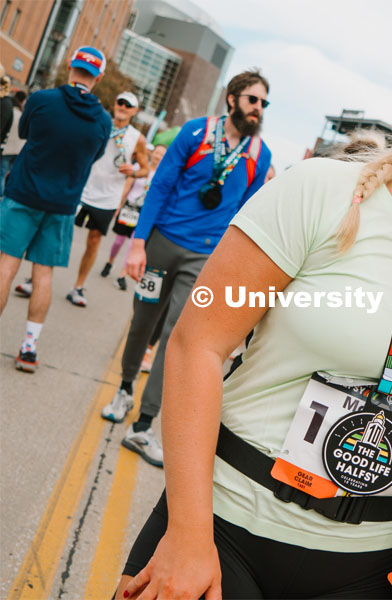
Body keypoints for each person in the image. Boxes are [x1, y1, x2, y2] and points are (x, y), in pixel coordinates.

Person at [116, 37, 392, 600]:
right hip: (225, 530)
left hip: (368, 564)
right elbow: (194, 348)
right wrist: (186, 531)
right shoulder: (319, 191)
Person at [100, 69, 273, 469]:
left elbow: (244, 213)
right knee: (143, 321)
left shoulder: (258, 154)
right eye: (252, 100)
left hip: (204, 259)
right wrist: (138, 243)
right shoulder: (196, 133)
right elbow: (160, 185)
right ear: (232, 99)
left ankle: (143, 424)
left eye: (264, 103)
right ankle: (125, 388)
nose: (258, 108)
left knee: (177, 333)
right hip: (160, 246)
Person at [0, 46, 111, 372]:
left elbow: (25, 133)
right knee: (43, 275)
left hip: (23, 195)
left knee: (6, 266)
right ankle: (29, 348)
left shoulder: (42, 100)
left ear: (69, 66)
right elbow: (96, 155)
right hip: (62, 205)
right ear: (99, 77)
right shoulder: (102, 121)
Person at [64, 91, 148, 307]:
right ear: (114, 104)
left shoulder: (137, 138)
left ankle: (78, 286)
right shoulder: (100, 123)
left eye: (128, 105)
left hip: (107, 198)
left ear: (134, 111)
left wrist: (132, 170)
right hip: (81, 189)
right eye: (120, 102)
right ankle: (34, 277)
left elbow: (145, 169)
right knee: (59, 231)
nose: (122, 107)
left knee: (93, 241)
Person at [100, 144, 167, 291]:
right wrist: (119, 205)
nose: (158, 157)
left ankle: (122, 276)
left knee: (133, 243)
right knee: (118, 241)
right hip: (129, 208)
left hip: (144, 212)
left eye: (162, 155)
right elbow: (127, 186)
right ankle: (110, 262)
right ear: (151, 153)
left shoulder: (163, 175)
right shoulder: (139, 169)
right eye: (157, 153)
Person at [1, 90, 26, 197]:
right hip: (18, 150)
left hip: (8, 149)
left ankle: (1, 196)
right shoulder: (22, 114)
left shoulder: (11, 111)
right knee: (8, 175)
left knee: (2, 174)